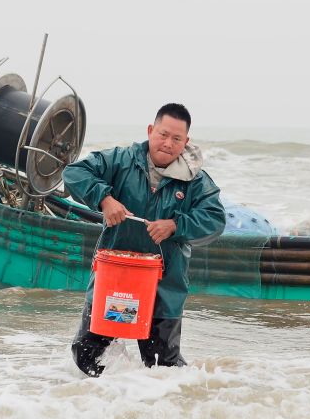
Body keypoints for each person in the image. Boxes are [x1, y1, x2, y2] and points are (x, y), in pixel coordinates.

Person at [65, 103, 225, 376]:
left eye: (177, 138)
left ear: (186, 141)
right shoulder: (120, 160)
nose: (168, 143)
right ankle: (111, 401)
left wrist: (176, 225)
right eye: (163, 134)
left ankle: (165, 406)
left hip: (164, 288)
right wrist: (104, 199)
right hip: (115, 282)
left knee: (163, 368)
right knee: (87, 354)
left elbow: (215, 219)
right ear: (151, 131)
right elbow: (73, 173)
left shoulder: (196, 181)